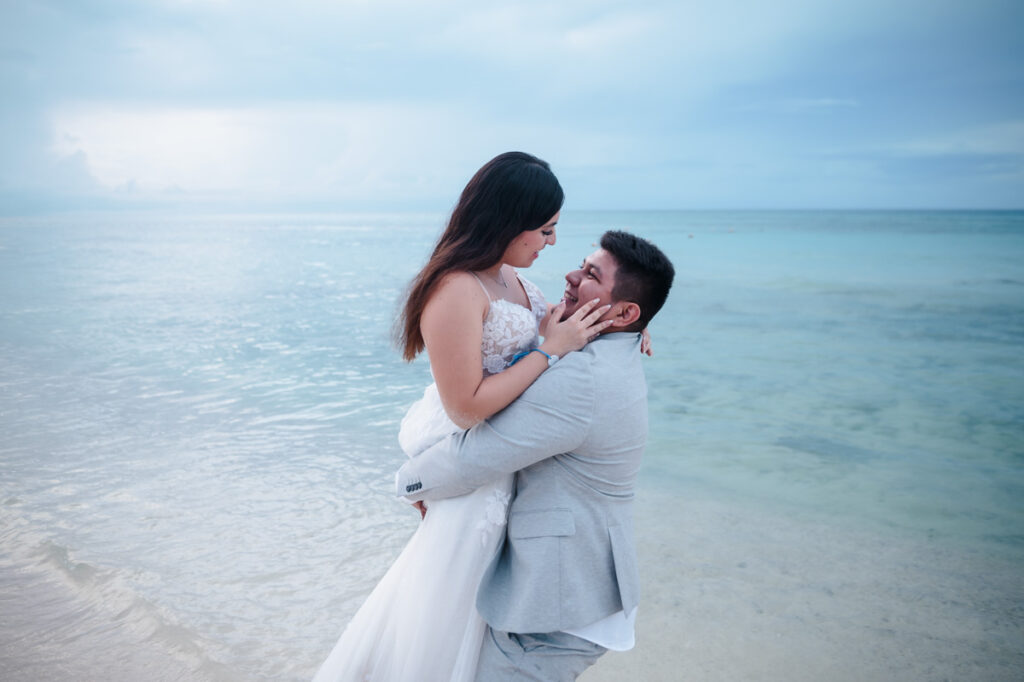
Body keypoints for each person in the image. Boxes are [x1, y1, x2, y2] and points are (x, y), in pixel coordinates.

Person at [313, 152, 614, 682]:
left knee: (488, 628)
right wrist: (550, 350)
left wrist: (626, 329)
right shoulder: (455, 288)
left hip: (507, 474)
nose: (550, 243)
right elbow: (466, 406)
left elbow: (561, 334)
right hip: (475, 477)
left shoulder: (516, 282)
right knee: (446, 619)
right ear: (508, 220)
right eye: (544, 230)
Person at [396, 230, 675, 681]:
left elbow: (476, 457)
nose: (570, 273)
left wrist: (407, 482)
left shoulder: (582, 378)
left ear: (625, 311)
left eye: (590, 275)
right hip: (573, 589)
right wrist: (634, 327)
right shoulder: (614, 347)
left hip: (560, 606)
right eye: (581, 264)